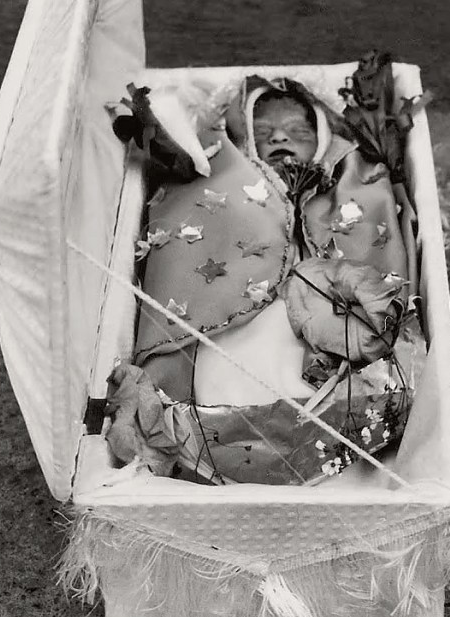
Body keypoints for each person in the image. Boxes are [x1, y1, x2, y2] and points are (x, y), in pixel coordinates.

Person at [106, 70, 425, 485]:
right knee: (237, 366)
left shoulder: (359, 184)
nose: (279, 137)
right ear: (244, 140)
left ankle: (333, 459)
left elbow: (377, 245)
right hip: (232, 316)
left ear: (327, 139)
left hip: (328, 319)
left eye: (297, 130)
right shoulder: (217, 173)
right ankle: (234, 445)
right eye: (264, 130)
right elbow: (188, 239)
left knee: (332, 363)